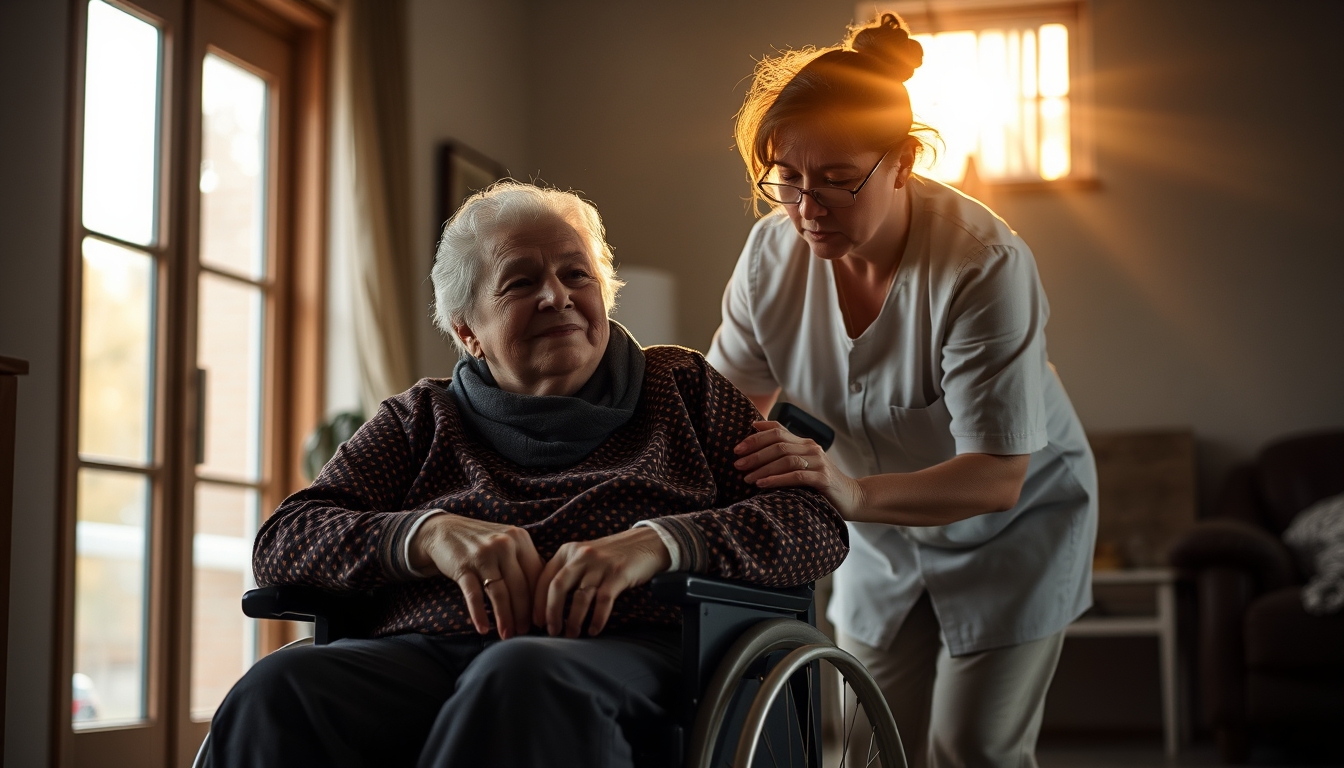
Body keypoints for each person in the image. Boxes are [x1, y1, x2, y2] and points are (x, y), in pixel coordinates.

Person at [209, 181, 848, 767]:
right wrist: (426, 536)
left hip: (638, 655)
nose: (558, 296)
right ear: (468, 331)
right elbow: (286, 539)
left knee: (521, 676)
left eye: (578, 274)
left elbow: (812, 522)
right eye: (520, 283)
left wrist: (659, 543)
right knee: (277, 688)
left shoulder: (682, 389)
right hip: (427, 653)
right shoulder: (420, 418)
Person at [707, 13, 1097, 768]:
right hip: (881, 547)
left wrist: (848, 493)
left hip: (1012, 535)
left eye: (837, 180)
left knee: (973, 749)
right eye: (786, 178)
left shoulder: (982, 264)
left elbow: (997, 472)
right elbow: (728, 410)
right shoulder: (770, 255)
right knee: (870, 751)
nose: (806, 208)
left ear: (902, 161)